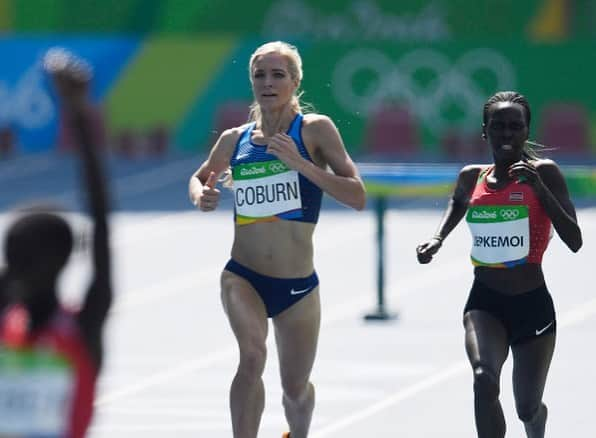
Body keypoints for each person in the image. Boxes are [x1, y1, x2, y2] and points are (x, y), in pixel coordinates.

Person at [188, 41, 366, 438]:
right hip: (243, 276)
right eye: (259, 75)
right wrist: (203, 196)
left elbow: (357, 195)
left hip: (298, 287)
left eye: (277, 75)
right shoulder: (235, 139)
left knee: (295, 389)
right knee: (252, 357)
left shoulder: (315, 130)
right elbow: (200, 178)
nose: (267, 83)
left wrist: (300, 164)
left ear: (295, 81)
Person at [416, 91, 582, 438]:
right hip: (485, 303)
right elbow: (458, 201)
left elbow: (575, 240)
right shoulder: (470, 176)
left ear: (526, 131)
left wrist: (538, 188)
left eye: (515, 127)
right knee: (483, 379)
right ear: (484, 132)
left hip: (532, 305)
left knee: (527, 407)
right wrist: (438, 238)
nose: (506, 134)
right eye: (498, 126)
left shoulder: (546, 173)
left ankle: (537, 426)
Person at [0, 48, 112, 437]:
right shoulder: (7, 321)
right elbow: (100, 223)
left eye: (17, 258)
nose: (11, 266)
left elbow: (101, 223)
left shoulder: (82, 327)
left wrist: (80, 116)